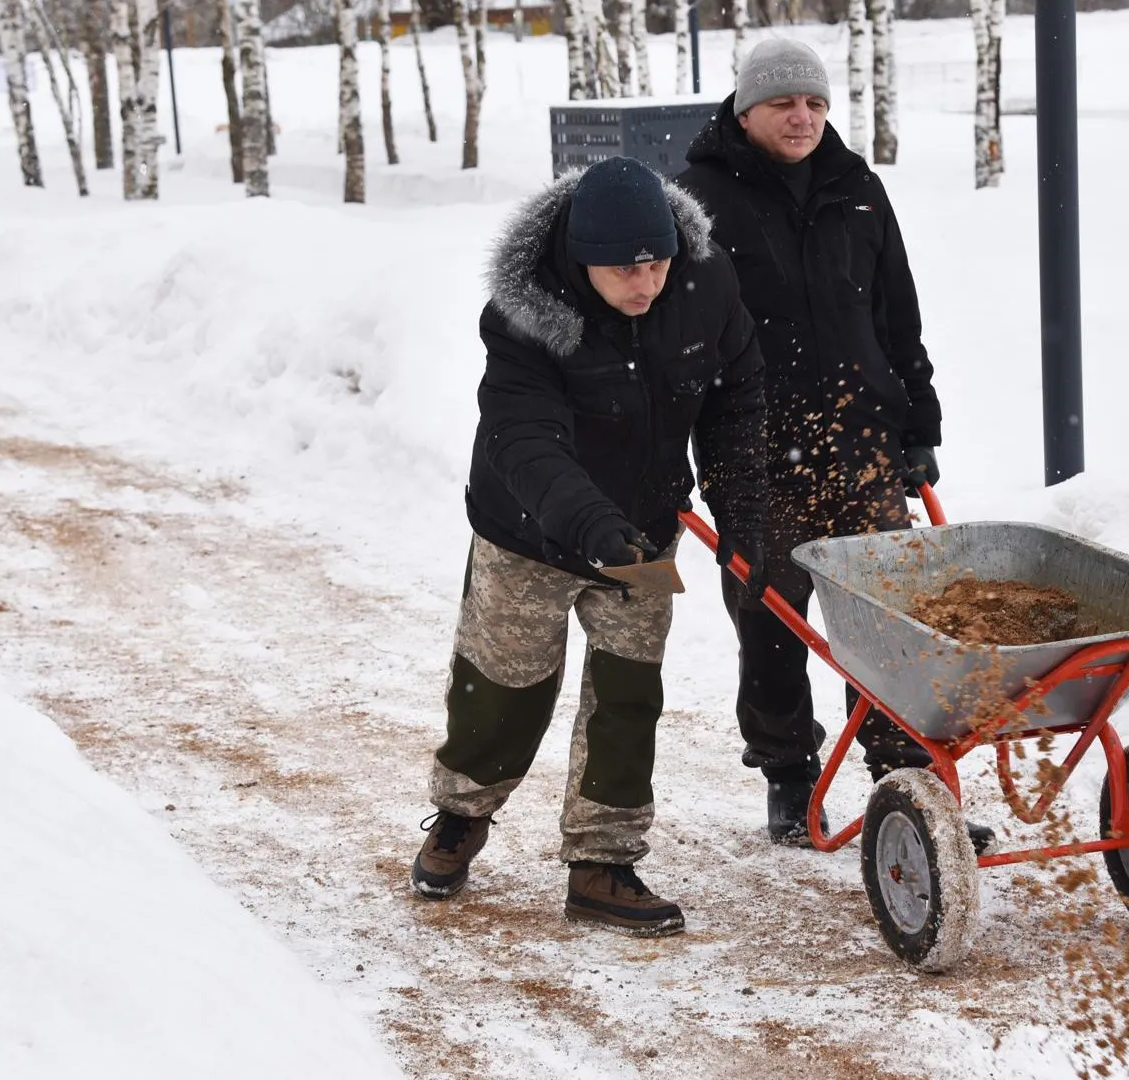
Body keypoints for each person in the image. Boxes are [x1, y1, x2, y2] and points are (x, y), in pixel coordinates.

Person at [410, 157, 768, 938]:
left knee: (628, 693)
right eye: (622, 268)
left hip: (643, 527)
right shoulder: (525, 312)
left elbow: (736, 399)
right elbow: (526, 439)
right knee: (505, 686)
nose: (645, 282)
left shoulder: (705, 286)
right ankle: (461, 812)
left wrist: (742, 512)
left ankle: (603, 863)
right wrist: (592, 525)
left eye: (657, 260)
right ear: (580, 260)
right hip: (531, 530)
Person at [677, 39, 991, 851]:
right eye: (784, 103)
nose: (803, 116)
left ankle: (906, 779)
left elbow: (898, 318)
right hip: (756, 457)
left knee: (893, 623)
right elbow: (680, 338)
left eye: (815, 103)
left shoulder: (858, 190)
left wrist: (918, 425)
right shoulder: (698, 199)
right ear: (745, 110)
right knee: (772, 621)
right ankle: (788, 775)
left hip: (861, 447)